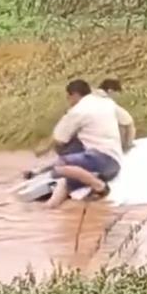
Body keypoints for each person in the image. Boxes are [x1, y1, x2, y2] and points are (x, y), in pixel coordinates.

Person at [34, 79, 124, 208]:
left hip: (101, 161)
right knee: (67, 179)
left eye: (69, 98)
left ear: (74, 95)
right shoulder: (106, 103)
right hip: (115, 163)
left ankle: (100, 187)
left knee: (61, 165)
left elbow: (59, 138)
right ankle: (50, 206)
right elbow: (127, 123)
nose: (69, 102)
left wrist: (41, 150)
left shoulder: (78, 110)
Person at [95, 78, 136, 152]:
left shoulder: (89, 97)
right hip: (104, 142)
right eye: (117, 93)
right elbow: (127, 120)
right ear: (110, 91)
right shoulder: (106, 103)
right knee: (125, 124)